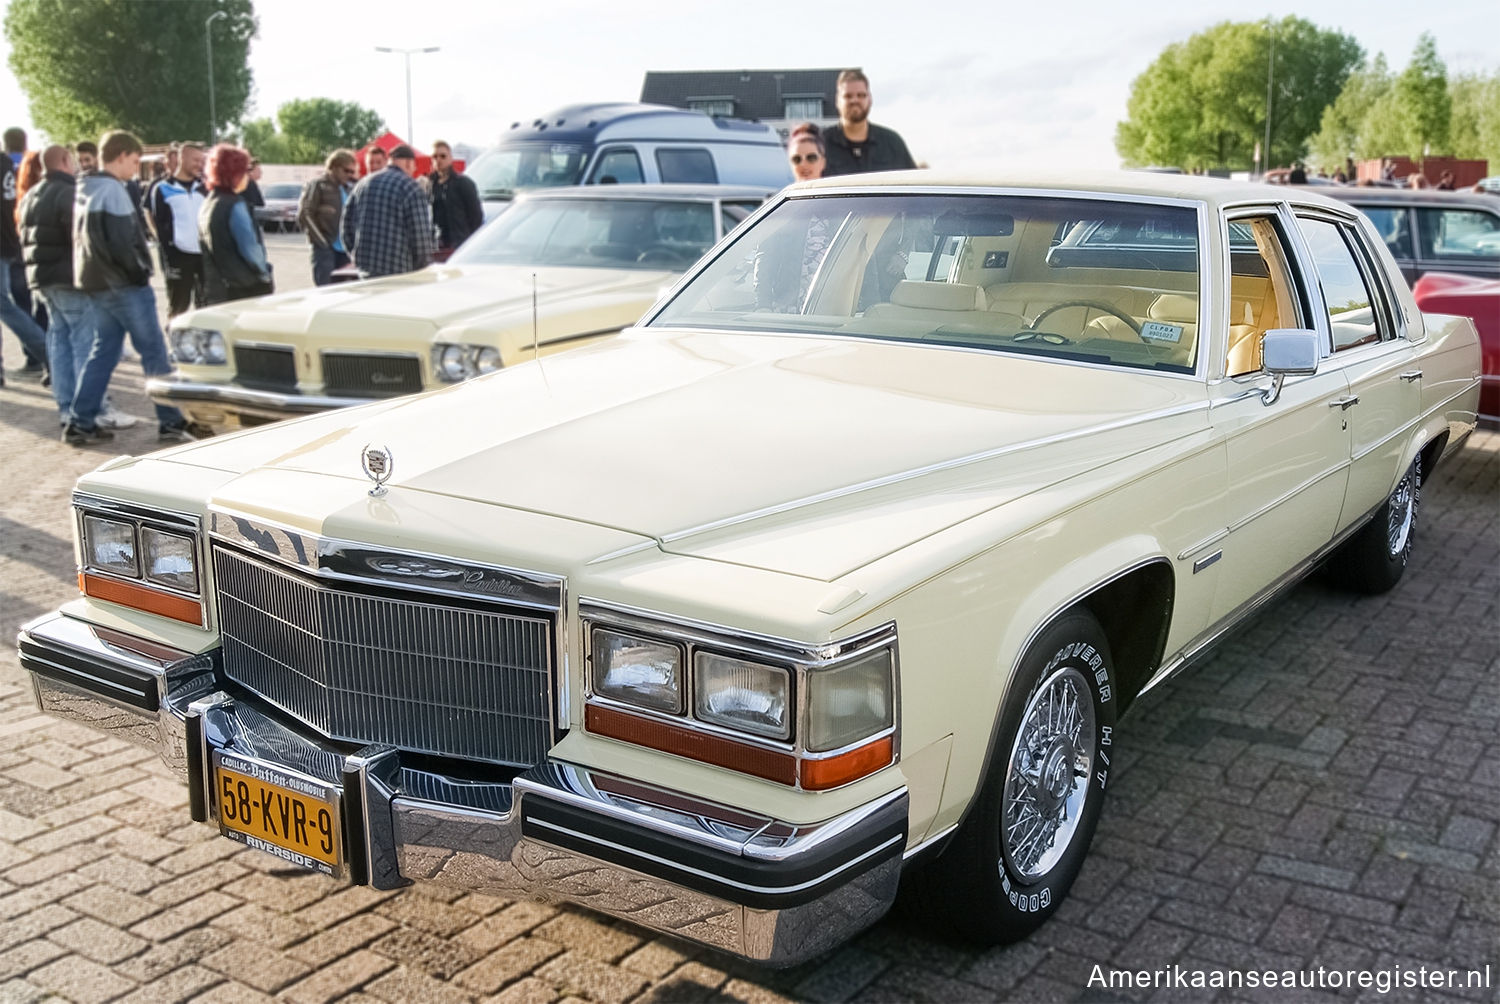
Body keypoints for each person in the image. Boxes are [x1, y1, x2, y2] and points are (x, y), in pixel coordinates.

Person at [68, 130, 206, 446]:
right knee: (155, 352)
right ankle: (170, 421)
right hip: (125, 286)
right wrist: (140, 272)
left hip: (96, 283)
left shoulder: (84, 188)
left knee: (102, 353)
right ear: (120, 156)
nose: (135, 167)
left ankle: (81, 420)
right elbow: (121, 243)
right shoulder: (113, 191)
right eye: (133, 160)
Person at [20, 144, 133, 429]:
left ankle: (67, 407)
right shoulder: (69, 193)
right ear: (63, 161)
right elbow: (84, 237)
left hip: (42, 279)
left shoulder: (31, 194)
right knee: (86, 343)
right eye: (70, 160)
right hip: (69, 278)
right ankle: (93, 409)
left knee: (58, 341)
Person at [341, 144, 434, 278]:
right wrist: (421, 269)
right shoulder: (411, 187)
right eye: (414, 166)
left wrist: (355, 255)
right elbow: (420, 239)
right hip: (399, 272)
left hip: (365, 270)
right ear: (409, 163)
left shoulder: (362, 184)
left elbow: (345, 227)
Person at [198, 144, 272, 304]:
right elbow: (250, 248)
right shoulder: (234, 204)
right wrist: (264, 272)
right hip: (242, 287)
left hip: (217, 285)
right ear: (234, 173)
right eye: (245, 171)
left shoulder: (208, 203)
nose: (248, 176)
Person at [0, 135, 48, 384]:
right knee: (17, 302)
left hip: (5, 242)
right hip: (12, 240)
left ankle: (45, 353)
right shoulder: (7, 162)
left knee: (6, 305)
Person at [147, 141, 207, 317]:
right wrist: (169, 254)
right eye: (195, 160)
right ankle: (174, 341)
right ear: (182, 158)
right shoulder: (162, 188)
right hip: (178, 258)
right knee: (178, 307)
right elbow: (159, 224)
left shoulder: (204, 187)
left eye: (202, 160)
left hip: (203, 256)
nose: (200, 165)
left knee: (205, 306)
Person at [821, 69, 917, 177]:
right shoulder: (821, 145)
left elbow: (912, 182)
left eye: (861, 95)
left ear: (870, 99)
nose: (855, 100)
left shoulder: (893, 143)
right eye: (848, 96)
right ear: (837, 101)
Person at [298, 149, 356, 285]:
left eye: (352, 172)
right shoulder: (318, 185)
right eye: (346, 171)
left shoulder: (349, 188)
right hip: (326, 250)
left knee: (346, 292)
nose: (350, 175)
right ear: (333, 167)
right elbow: (305, 213)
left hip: (345, 251)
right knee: (325, 290)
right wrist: (322, 242)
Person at [428, 140, 483, 252]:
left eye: (443, 156)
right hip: (438, 244)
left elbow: (476, 216)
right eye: (435, 157)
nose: (438, 160)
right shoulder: (430, 184)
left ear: (450, 158)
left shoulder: (463, 183)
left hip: (459, 243)